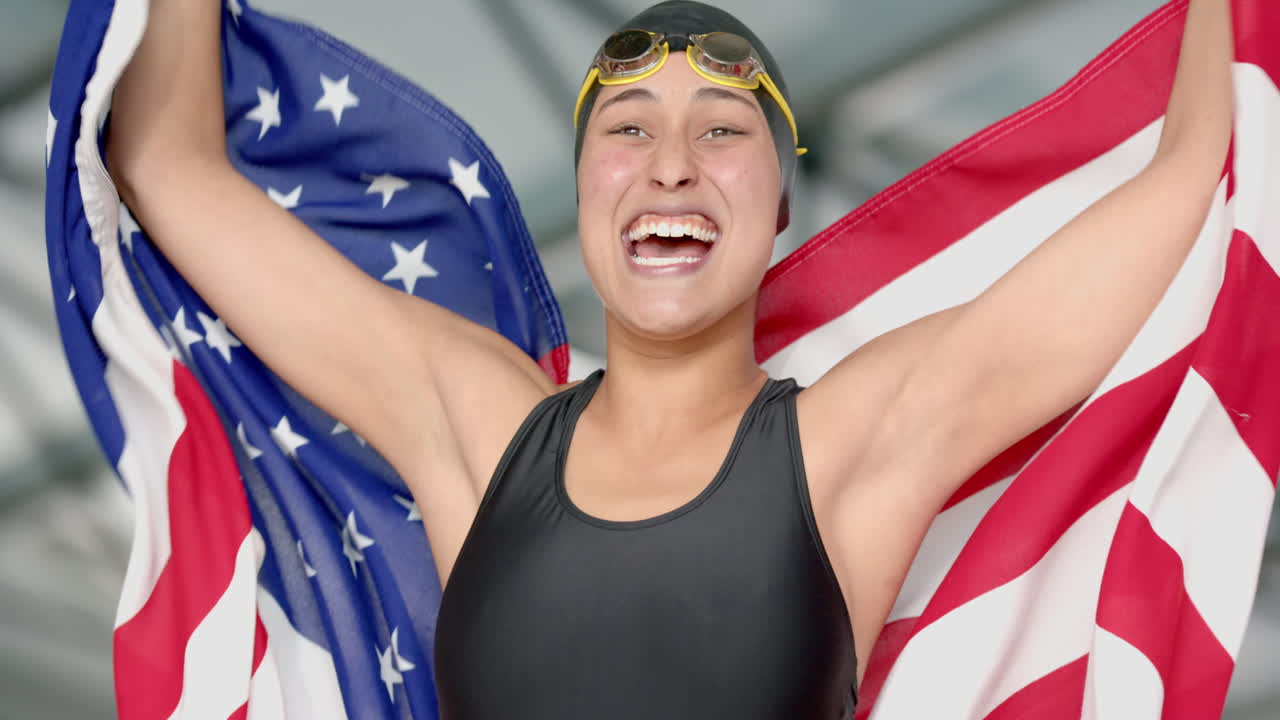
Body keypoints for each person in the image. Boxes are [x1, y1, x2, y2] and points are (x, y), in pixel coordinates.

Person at [105, 0, 1232, 716]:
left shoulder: (851, 445)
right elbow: (168, 169)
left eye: (723, 130)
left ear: (779, 204)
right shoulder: (478, 428)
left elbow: (1185, 183)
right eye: (628, 127)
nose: (672, 165)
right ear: (590, 188)